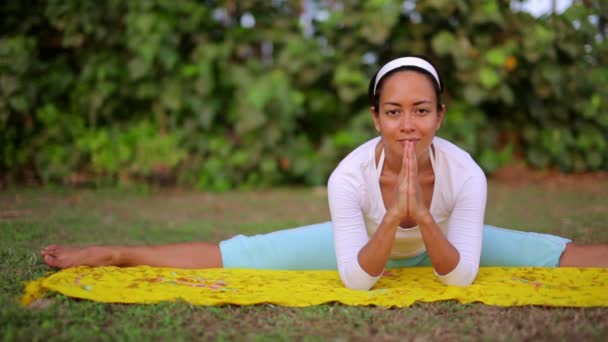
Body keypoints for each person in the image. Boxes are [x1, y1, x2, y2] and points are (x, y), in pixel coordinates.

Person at [42, 56, 608, 290]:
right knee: (242, 252)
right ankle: (117, 251)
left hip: (451, 246)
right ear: (375, 117)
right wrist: (393, 216)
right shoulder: (348, 176)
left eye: (421, 110)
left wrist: (423, 221)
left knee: (551, 251)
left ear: (440, 114)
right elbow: (359, 280)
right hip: (365, 240)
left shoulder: (466, 173)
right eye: (393, 112)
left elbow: (457, 277)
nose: (407, 125)